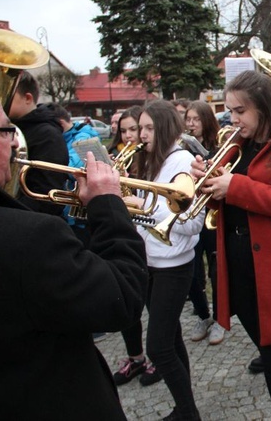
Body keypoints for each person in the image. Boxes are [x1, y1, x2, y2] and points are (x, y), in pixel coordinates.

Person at [0, 82, 148, 420]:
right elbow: (122, 295)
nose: (16, 141)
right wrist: (107, 204)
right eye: (6, 131)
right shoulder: (28, 239)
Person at [189, 70, 271, 420]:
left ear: (263, 108)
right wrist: (208, 182)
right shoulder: (236, 145)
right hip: (240, 266)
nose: (232, 119)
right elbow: (229, 199)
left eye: (239, 111)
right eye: (229, 111)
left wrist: (234, 187)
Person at [132, 100, 205, 420]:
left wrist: (140, 207)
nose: (142, 135)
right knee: (172, 339)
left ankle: (188, 413)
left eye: (149, 128)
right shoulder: (151, 160)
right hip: (151, 261)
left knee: (158, 348)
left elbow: (192, 224)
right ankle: (184, 407)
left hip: (174, 265)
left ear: (163, 128)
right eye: (139, 128)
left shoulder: (183, 162)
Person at [109, 105, 163, 388]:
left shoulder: (150, 159)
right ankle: (136, 356)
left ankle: (157, 357)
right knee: (127, 300)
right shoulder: (119, 156)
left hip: (147, 240)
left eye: (137, 129)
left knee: (154, 304)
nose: (132, 136)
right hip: (124, 237)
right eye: (126, 130)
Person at [184, 100, 225, 346]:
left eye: (195, 119)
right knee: (192, 269)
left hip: (211, 216)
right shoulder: (182, 149)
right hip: (189, 215)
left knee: (216, 267)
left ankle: (221, 318)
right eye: (188, 119)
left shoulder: (220, 146)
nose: (190, 124)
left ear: (206, 121)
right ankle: (203, 315)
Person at [7, 71, 68, 216]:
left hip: (28, 221)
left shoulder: (47, 135)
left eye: (9, 95)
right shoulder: (8, 128)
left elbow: (47, 194)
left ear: (28, 98)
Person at [50, 103, 101, 244]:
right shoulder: (65, 138)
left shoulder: (83, 136)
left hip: (79, 218)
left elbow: (73, 168)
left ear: (60, 124)